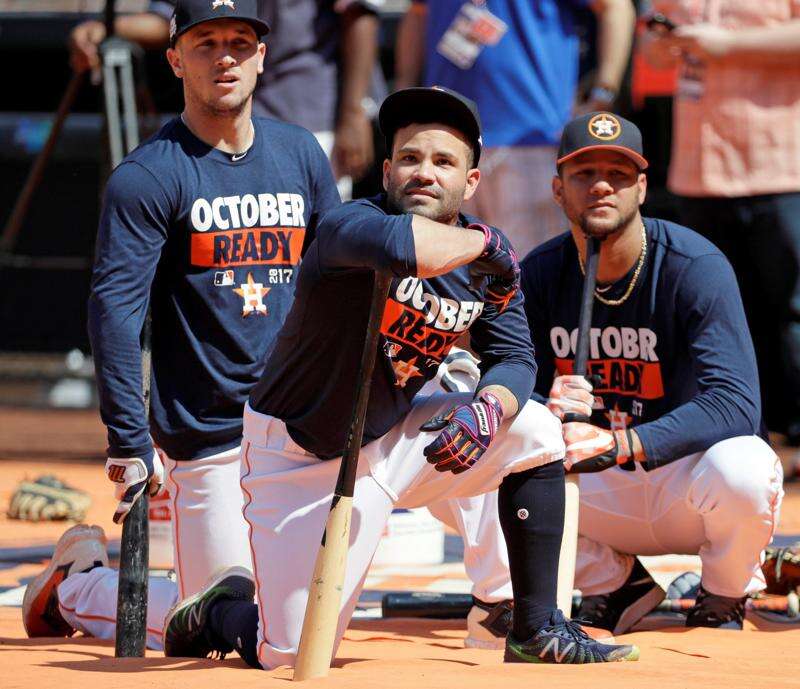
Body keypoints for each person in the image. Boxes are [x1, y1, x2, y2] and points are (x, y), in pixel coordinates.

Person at [160, 86, 641, 667]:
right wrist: (488, 243)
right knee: (290, 655)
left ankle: (534, 627)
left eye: (444, 162)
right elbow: (408, 247)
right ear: (386, 171)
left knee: (535, 429)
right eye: (410, 159)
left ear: (471, 184)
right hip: (303, 455)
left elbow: (515, 359)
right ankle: (220, 608)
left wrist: (488, 409)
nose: (424, 173)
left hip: (396, 435)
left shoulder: (485, 261)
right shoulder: (349, 226)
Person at [21, 0, 341, 650]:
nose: (224, 56)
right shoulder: (149, 175)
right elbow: (114, 313)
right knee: (242, 627)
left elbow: (335, 282)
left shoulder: (301, 153)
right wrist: (128, 439)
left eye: (239, 41)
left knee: (309, 625)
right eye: (205, 43)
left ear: (261, 56)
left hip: (298, 431)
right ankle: (81, 580)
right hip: (211, 439)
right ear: (174, 59)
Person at [520, 111, 784, 633]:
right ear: (557, 189)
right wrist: (542, 404)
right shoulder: (539, 272)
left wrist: (624, 445)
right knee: (470, 455)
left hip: (685, 483)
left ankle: (724, 593)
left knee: (746, 465)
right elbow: (507, 388)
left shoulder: (693, 264)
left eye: (618, 175)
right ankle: (614, 585)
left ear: (642, 188)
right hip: (595, 490)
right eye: (583, 173)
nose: (601, 185)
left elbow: (736, 403)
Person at [641, 2, 800, 466]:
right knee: (717, 315)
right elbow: (652, 52)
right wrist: (668, 44)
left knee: (793, 311)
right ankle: (746, 436)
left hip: (781, 168)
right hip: (699, 174)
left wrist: (726, 44)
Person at [68, 0, 383, 198]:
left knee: (311, 253)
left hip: (309, 111)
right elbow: (177, 17)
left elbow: (360, 14)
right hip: (225, 122)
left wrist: (354, 111)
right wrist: (109, 28)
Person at [393, 0, 635, 257]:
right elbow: (418, 13)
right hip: (442, 138)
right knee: (440, 274)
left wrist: (603, 93)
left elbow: (616, 7)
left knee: (528, 270)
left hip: (531, 136)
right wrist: (403, 89)